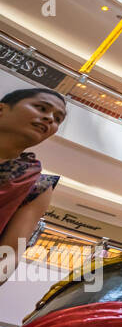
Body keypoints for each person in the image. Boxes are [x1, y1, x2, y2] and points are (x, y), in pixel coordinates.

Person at [0, 88, 65, 284]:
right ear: (2, 109)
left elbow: (8, 256)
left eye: (57, 118)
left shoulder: (38, 185)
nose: (49, 119)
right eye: (41, 108)